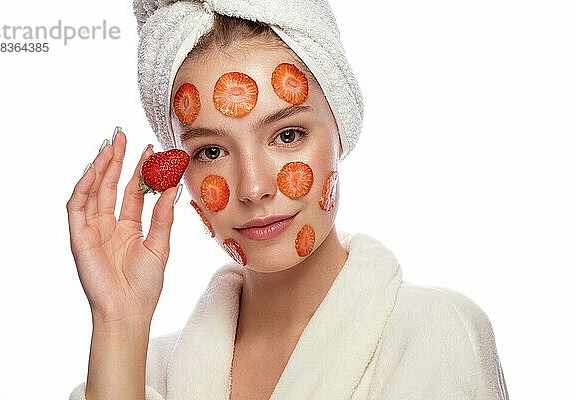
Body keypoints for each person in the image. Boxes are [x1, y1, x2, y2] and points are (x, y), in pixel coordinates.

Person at [68, 1, 509, 399]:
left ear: (341, 128)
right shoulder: (142, 373)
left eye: (287, 134)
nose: (253, 187)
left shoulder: (437, 333)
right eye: (211, 151)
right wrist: (119, 323)